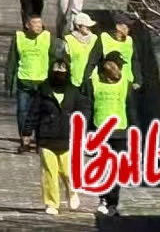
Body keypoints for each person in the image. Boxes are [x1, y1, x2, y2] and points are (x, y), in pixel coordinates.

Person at [22, 57, 88, 215]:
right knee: (49, 172)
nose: (59, 75)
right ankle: (51, 203)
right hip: (46, 137)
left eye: (62, 73)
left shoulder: (73, 91)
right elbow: (34, 112)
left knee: (68, 171)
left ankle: (72, 192)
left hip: (67, 137)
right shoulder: (43, 91)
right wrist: (27, 132)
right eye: (56, 72)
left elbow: (84, 109)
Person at [88, 52, 138, 217]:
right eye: (118, 65)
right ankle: (103, 199)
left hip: (120, 131)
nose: (121, 69)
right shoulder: (94, 82)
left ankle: (113, 202)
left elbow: (131, 108)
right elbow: (88, 106)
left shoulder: (125, 83)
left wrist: (134, 129)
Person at [5, 14, 54, 152]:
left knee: (42, 113)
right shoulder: (19, 38)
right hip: (24, 81)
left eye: (40, 23)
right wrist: (9, 82)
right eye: (35, 23)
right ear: (27, 25)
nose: (38, 26)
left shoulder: (48, 37)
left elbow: (54, 59)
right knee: (23, 112)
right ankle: (25, 140)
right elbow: (12, 61)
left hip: (42, 82)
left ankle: (40, 141)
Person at [86, 12, 142, 91]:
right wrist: (88, 76)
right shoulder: (104, 38)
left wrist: (137, 80)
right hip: (108, 83)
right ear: (118, 26)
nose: (128, 29)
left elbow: (134, 61)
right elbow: (93, 59)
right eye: (126, 26)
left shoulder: (129, 41)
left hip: (127, 83)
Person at [64, 13, 97, 89]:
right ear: (78, 26)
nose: (89, 27)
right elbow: (65, 60)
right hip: (75, 80)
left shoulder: (95, 39)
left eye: (89, 26)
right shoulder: (69, 39)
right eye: (86, 26)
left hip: (92, 81)